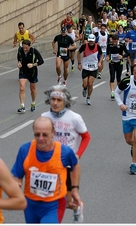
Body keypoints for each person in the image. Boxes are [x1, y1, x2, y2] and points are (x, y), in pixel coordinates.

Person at [11, 116, 82, 223]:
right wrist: (16, 184)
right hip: (30, 205)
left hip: (54, 204)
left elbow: (75, 166)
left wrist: (74, 189)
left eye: (45, 135)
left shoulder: (64, 152)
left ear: (53, 133)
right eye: (37, 134)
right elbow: (17, 176)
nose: (40, 138)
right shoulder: (25, 150)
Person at [41, 86, 91, 222]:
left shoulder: (74, 118)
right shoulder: (44, 117)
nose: (55, 103)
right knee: (48, 200)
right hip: (49, 164)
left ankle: (77, 207)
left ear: (65, 101)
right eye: (53, 99)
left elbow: (86, 137)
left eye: (58, 100)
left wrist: (78, 155)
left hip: (68, 165)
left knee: (66, 201)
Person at [17, 39, 44, 113]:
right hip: (23, 71)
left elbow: (41, 61)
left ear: (30, 46)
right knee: (22, 88)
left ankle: (33, 103)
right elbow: (19, 58)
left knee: (33, 89)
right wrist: (19, 63)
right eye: (23, 47)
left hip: (32, 72)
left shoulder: (34, 51)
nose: (25, 49)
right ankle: (22, 105)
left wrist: (33, 65)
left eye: (26, 48)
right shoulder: (20, 51)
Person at [77, 34, 103, 105]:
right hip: (85, 67)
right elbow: (78, 53)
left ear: (94, 41)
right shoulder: (84, 46)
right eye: (90, 41)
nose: (91, 42)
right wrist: (79, 63)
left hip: (94, 68)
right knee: (85, 84)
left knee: (90, 83)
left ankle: (88, 97)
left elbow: (101, 54)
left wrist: (100, 62)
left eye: (92, 41)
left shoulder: (97, 46)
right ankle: (84, 89)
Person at [106, 35, 129, 100]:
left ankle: (118, 91)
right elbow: (108, 53)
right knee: (112, 77)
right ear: (112, 40)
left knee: (118, 78)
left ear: (118, 40)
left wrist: (122, 56)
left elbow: (128, 53)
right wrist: (107, 56)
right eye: (113, 41)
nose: (115, 43)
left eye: (116, 41)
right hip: (112, 63)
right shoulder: (109, 45)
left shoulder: (121, 45)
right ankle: (112, 92)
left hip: (119, 63)